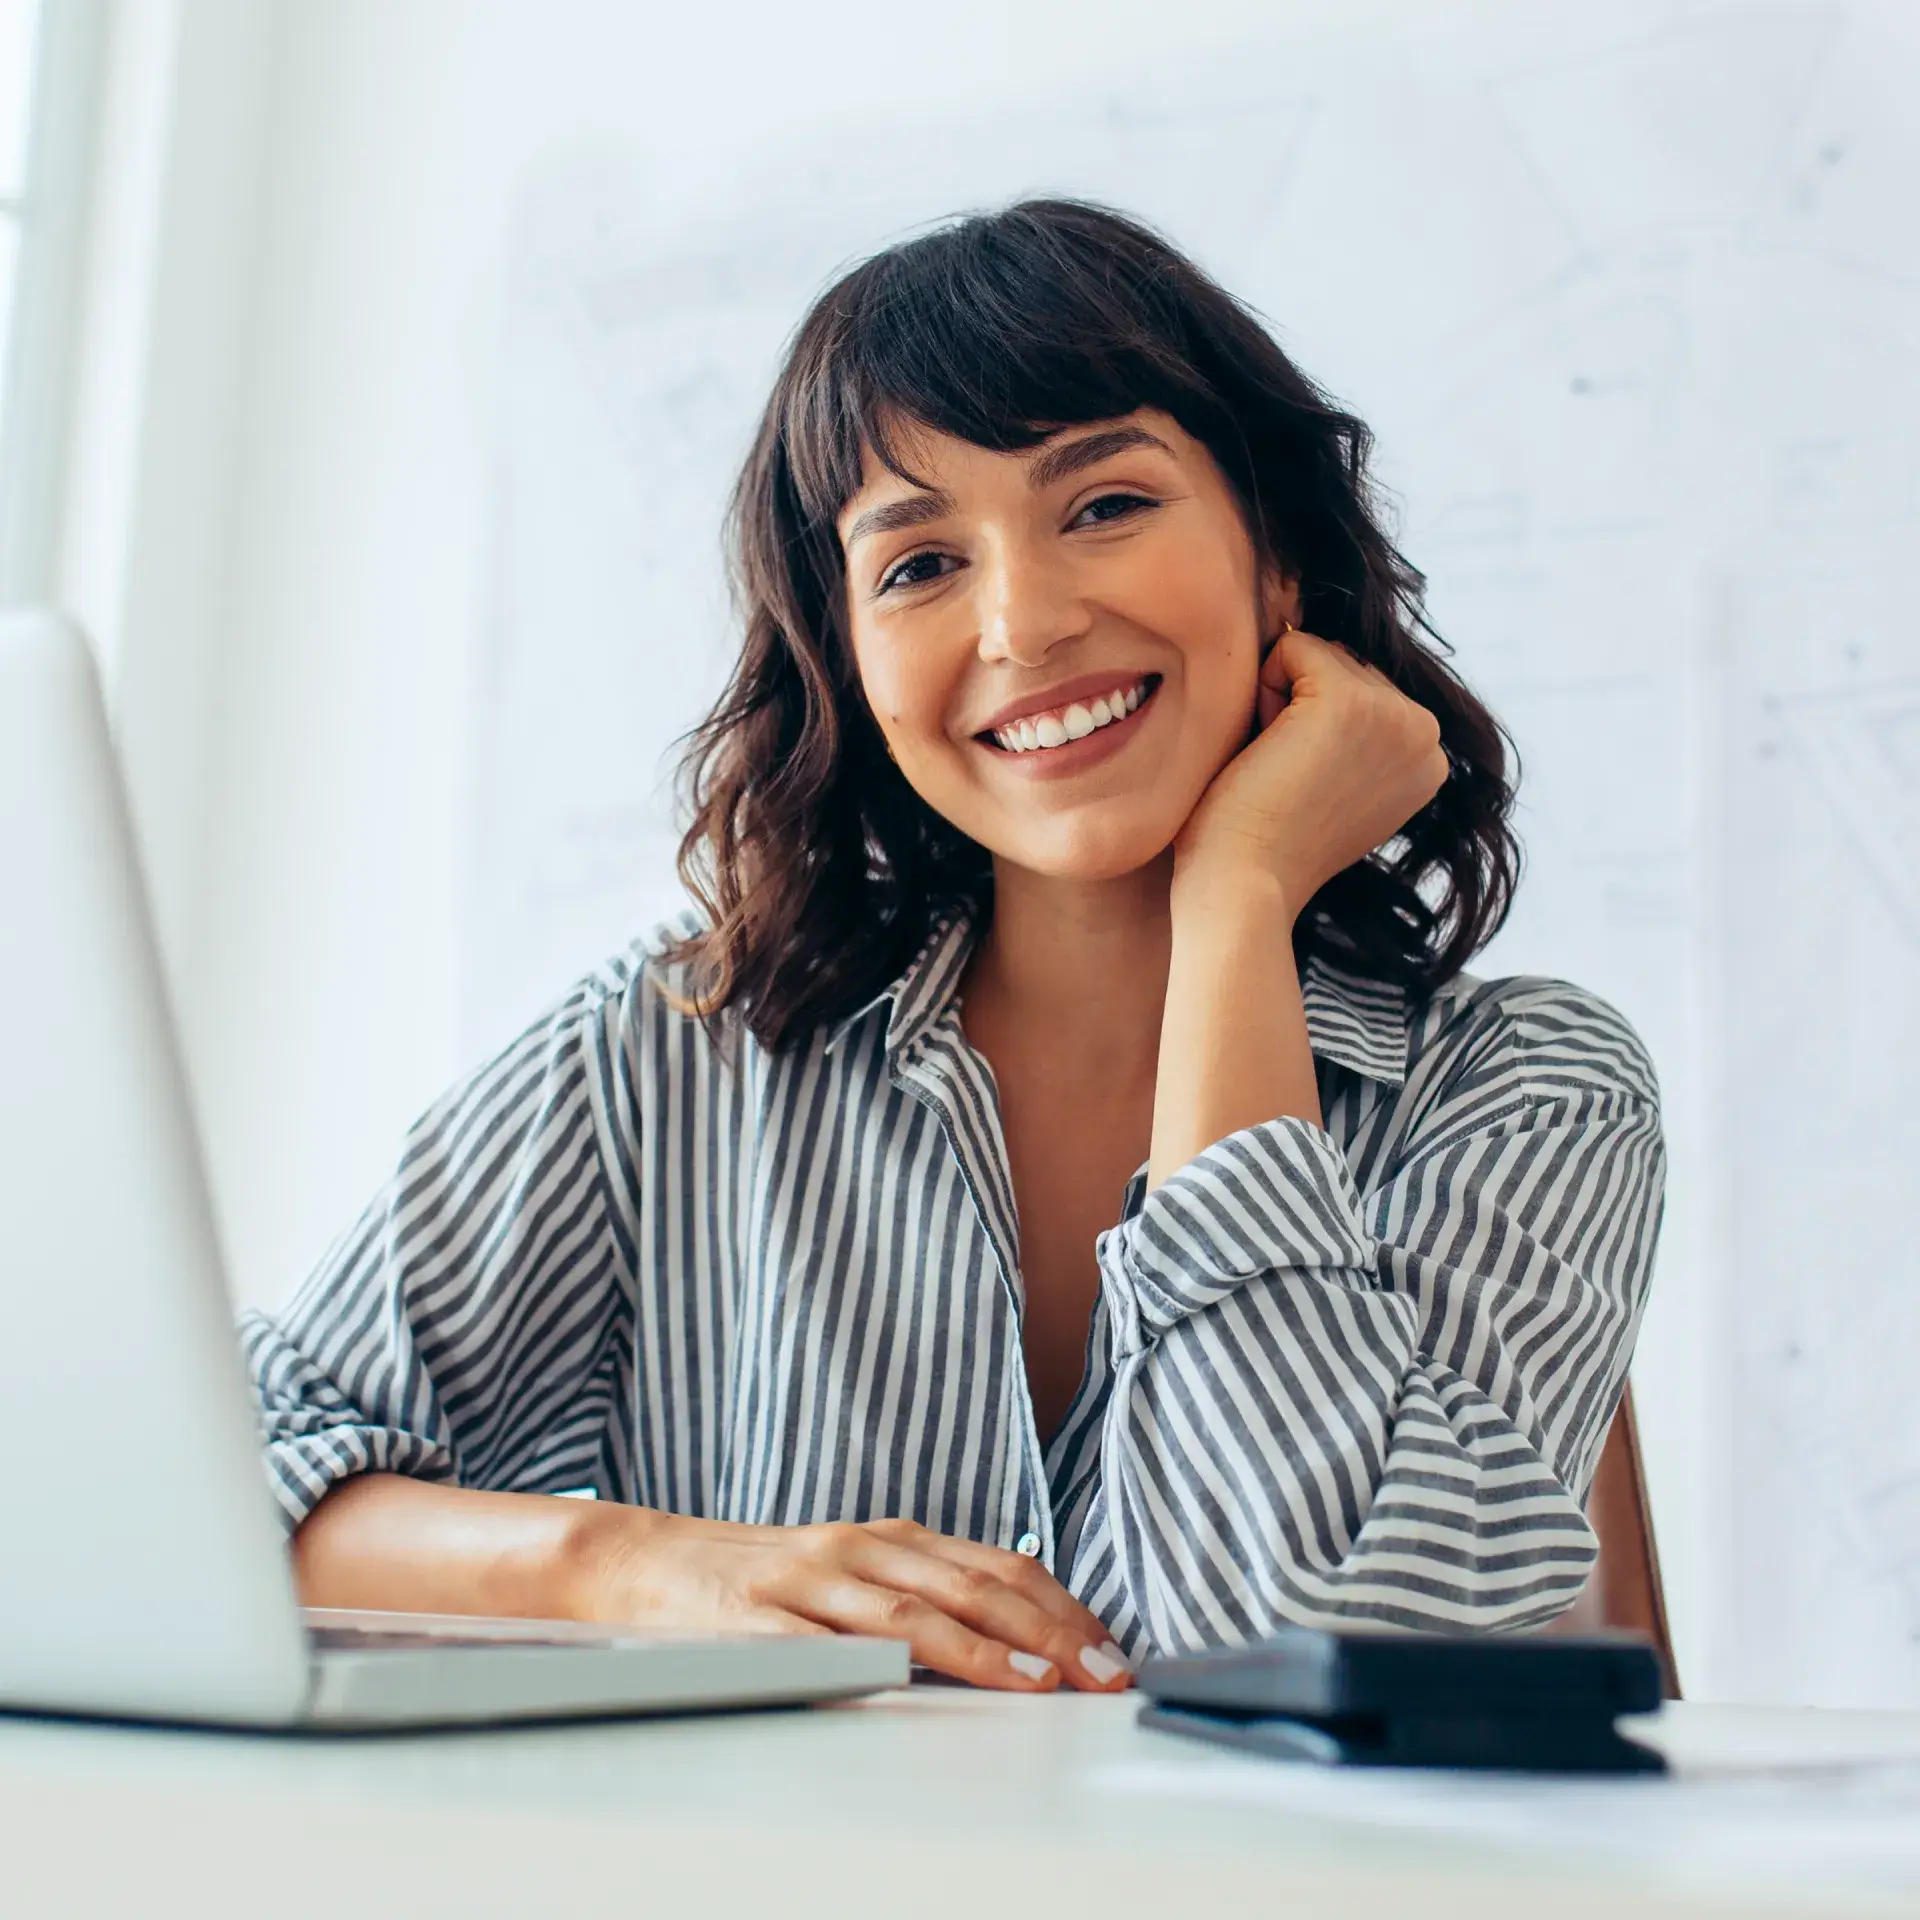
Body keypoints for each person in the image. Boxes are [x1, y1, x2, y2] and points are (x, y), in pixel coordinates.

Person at [246, 199, 1665, 1695]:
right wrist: (636, 1566)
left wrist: (1238, 903)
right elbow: (198, 1487)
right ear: (850, 663)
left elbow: (1317, 1654)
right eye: (918, 565)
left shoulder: (1535, 1088)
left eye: (1106, 504)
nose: (1027, 622)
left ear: (1276, 567)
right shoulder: (673, 1048)